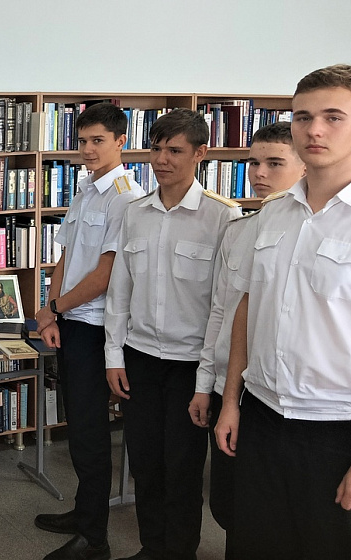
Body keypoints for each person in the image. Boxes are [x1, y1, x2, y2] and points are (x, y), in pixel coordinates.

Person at [215, 64, 351, 559]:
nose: (315, 130)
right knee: (253, 544)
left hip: (341, 430)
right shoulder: (274, 214)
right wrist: (231, 400)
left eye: (333, 117)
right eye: (303, 117)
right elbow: (248, 308)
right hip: (262, 417)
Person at [104, 109, 242, 560]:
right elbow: (120, 290)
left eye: (175, 150)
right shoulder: (135, 212)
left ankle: (179, 552)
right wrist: (113, 355)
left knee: (182, 469)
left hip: (190, 366)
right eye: (156, 149)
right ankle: (152, 548)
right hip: (140, 357)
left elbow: (223, 307)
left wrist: (206, 381)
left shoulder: (223, 217)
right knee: (145, 463)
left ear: (200, 153)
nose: (162, 160)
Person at [187, 122, 305, 558]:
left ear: (304, 166)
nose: (260, 173)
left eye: (275, 163)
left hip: (276, 396)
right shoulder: (239, 230)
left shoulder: (308, 232)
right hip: (228, 387)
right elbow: (220, 313)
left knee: (271, 517)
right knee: (228, 505)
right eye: (254, 162)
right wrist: (206, 385)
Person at [33, 102, 141, 560]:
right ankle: (83, 512)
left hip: (96, 328)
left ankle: (95, 539)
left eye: (98, 140)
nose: (88, 149)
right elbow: (65, 257)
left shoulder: (125, 197)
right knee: (79, 427)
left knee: (91, 433)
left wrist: (57, 307)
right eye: (82, 141)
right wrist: (49, 312)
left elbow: (104, 275)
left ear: (121, 141)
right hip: (70, 322)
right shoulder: (85, 190)